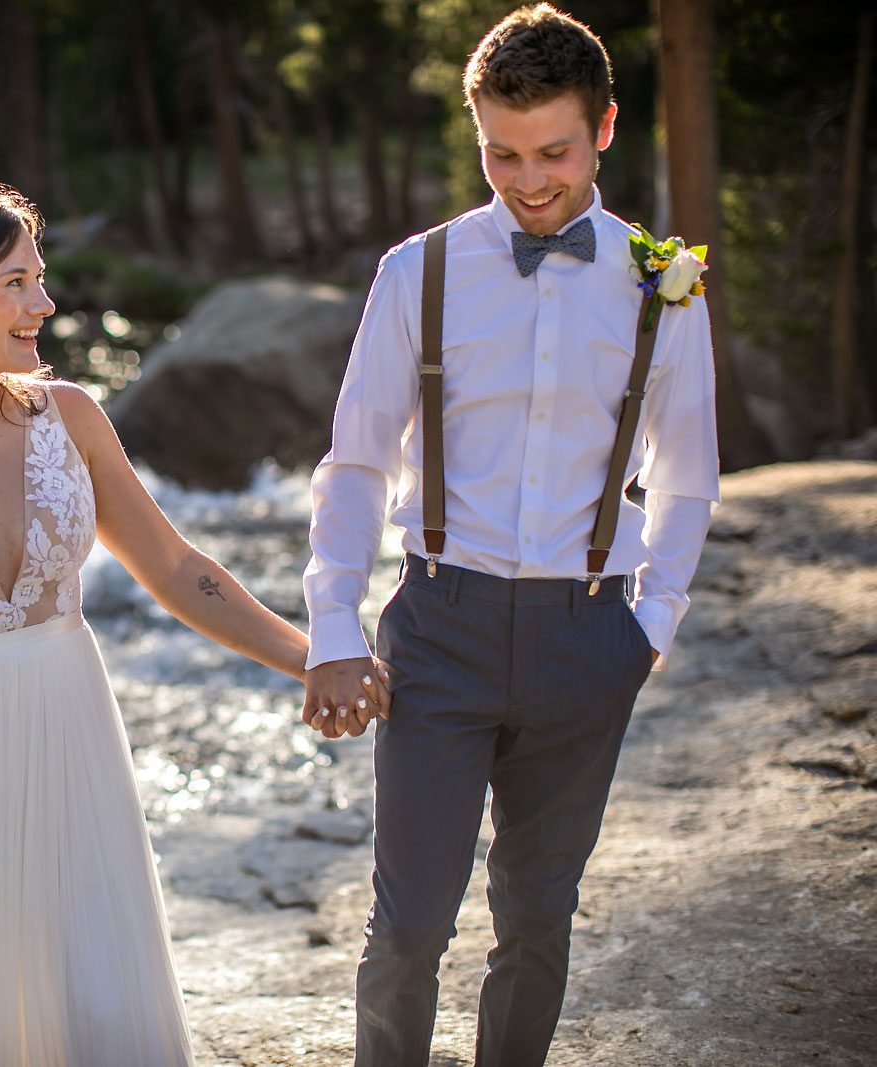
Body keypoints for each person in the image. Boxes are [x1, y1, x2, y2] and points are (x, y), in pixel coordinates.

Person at [0, 183, 358, 1065]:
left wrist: (314, 656)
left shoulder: (74, 419)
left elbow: (176, 569)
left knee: (89, 996)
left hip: (71, 742)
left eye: (40, 279)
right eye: (14, 283)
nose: (44, 304)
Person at [300, 5, 719, 1066]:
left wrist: (651, 622)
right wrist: (332, 624)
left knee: (538, 919)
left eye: (553, 154)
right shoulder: (417, 273)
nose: (529, 182)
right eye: (501, 154)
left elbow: (686, 471)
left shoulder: (661, 281)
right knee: (407, 925)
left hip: (589, 637)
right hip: (439, 622)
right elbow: (355, 458)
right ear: (476, 134)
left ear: (606, 129)